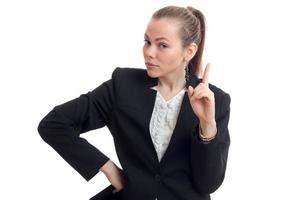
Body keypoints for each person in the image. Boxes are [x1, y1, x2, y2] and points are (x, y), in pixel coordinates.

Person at [37, 5, 231, 200]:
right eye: (147, 42)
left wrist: (207, 126)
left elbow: (208, 183)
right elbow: (54, 124)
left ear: (189, 51)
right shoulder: (123, 85)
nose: (149, 52)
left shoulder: (215, 101)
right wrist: (107, 167)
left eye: (162, 45)